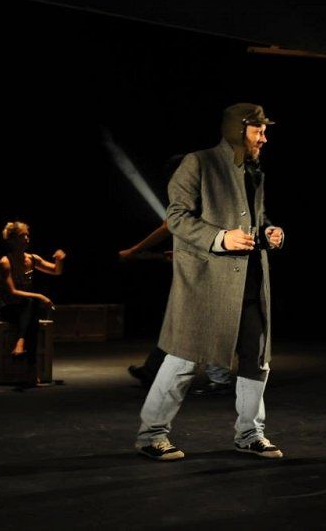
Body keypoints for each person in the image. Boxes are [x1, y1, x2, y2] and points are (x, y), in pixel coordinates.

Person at [134, 103, 285, 461]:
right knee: (184, 358)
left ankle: (250, 433)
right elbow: (177, 217)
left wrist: (269, 232)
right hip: (207, 281)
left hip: (250, 280)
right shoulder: (198, 163)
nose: (264, 138)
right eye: (258, 130)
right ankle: (151, 435)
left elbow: (256, 218)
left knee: (256, 359)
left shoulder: (253, 171)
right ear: (238, 129)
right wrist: (221, 238)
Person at [120, 219, 234, 395]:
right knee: (187, 321)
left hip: (209, 268)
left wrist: (134, 250)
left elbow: (168, 226)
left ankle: (219, 378)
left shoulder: (192, 204)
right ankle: (153, 369)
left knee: (200, 321)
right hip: (204, 264)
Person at [0, 221, 66, 386]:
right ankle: (31, 371)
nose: (27, 238)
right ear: (12, 240)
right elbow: (12, 292)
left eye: (28, 235)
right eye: (22, 235)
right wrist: (41, 296)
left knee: (31, 313)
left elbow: (56, 270)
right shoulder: (5, 262)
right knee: (32, 306)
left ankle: (21, 345)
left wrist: (59, 260)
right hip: (6, 307)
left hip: (25, 308)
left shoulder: (32, 259)